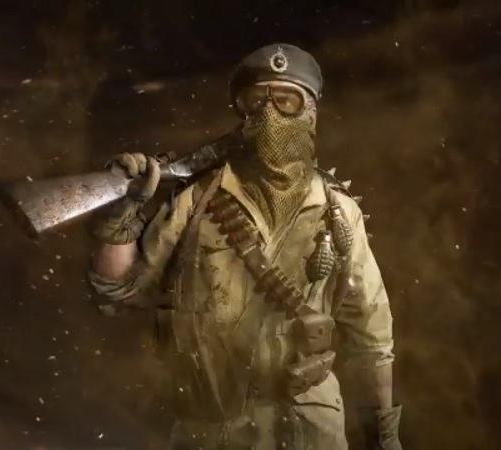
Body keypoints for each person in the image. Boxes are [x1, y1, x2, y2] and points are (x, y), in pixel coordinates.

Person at [88, 43, 403, 450]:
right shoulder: (197, 200)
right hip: (210, 431)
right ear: (242, 111)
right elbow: (118, 289)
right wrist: (120, 216)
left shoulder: (338, 213)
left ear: (310, 113)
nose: (270, 113)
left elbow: (370, 339)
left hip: (307, 433)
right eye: (257, 100)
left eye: (287, 100)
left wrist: (384, 441)